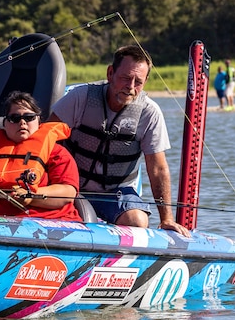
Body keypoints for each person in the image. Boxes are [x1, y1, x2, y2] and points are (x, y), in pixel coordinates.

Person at [49, 44, 190, 236]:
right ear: (110, 73)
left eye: (138, 81)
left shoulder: (150, 113)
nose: (130, 87)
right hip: (71, 187)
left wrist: (167, 219)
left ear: (146, 81)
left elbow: (157, 168)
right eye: (125, 78)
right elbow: (46, 140)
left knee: (138, 221)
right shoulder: (80, 97)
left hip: (115, 193)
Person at [0, 91, 81, 220]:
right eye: (15, 118)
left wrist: (31, 197)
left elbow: (67, 192)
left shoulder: (58, 153)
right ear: (5, 123)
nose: (22, 122)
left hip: (44, 222)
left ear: (39, 121)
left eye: (29, 117)